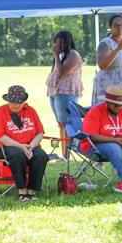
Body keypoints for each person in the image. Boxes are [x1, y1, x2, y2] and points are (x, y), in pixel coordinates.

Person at [0, 85, 48, 201]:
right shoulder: (1, 111)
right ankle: (22, 191)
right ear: (8, 100)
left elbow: (40, 133)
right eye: (13, 102)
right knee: (17, 154)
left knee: (41, 156)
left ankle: (32, 191)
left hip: (30, 145)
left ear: (24, 101)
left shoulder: (31, 111)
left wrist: (30, 146)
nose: (16, 105)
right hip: (7, 146)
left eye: (19, 102)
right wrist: (21, 146)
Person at [45, 30, 82, 158]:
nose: (57, 45)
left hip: (66, 93)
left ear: (68, 42)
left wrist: (55, 55)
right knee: (60, 123)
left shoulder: (74, 55)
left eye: (61, 42)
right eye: (56, 42)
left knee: (66, 124)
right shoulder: (61, 55)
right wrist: (57, 55)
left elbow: (62, 72)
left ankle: (66, 155)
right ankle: (64, 154)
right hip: (56, 92)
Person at [81, 84, 122, 193]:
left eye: (121, 105)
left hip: (118, 143)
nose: (119, 108)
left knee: (115, 148)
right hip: (94, 146)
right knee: (114, 148)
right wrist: (115, 140)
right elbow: (92, 136)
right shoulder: (95, 113)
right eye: (115, 105)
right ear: (107, 102)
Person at [91, 14, 122, 105]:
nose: (120, 27)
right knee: (106, 113)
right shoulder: (105, 43)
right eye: (116, 25)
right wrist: (118, 49)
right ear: (110, 27)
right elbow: (102, 65)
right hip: (107, 84)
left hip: (120, 85)